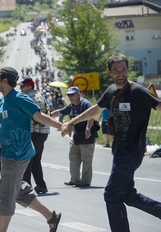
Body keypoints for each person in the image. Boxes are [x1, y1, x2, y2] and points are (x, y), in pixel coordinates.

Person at [61, 53, 161, 232]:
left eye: (123, 69)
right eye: (116, 70)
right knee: (128, 195)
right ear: (109, 72)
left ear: (128, 70)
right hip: (119, 149)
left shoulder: (137, 91)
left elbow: (159, 106)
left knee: (112, 195)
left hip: (132, 151)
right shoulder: (111, 92)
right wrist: (71, 122)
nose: (120, 73)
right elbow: (96, 110)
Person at [0, 67, 62, 232]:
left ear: (5, 80)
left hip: (18, 153)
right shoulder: (4, 100)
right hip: (9, 153)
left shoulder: (19, 98)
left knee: (4, 194)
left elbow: (39, 116)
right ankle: (51, 216)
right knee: (18, 190)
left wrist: (62, 126)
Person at [51, 86, 97, 187]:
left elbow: (91, 116)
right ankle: (74, 180)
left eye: (72, 94)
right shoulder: (71, 106)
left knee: (86, 160)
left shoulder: (85, 104)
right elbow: (59, 112)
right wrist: (47, 116)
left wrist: (88, 129)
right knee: (73, 158)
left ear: (78, 94)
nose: (70, 97)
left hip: (86, 136)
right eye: (69, 95)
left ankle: (85, 181)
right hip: (76, 136)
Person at [19, 77, 51, 194]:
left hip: (35, 131)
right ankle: (41, 185)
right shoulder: (39, 95)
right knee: (35, 159)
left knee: (27, 158)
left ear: (29, 86)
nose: (20, 88)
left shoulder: (30, 97)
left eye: (22, 86)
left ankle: (26, 186)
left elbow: (33, 115)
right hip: (42, 131)